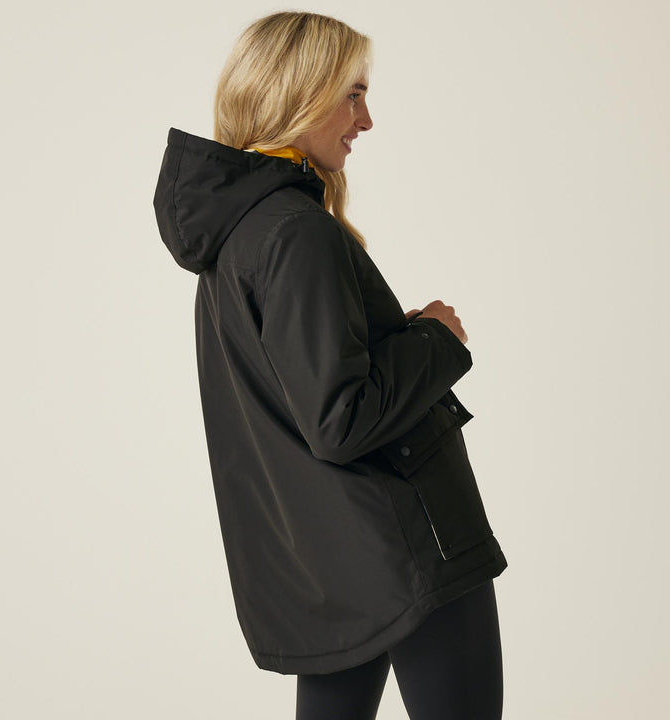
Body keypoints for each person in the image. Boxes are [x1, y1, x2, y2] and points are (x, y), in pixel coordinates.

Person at [153, 10, 508, 720]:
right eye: (353, 95)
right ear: (299, 94)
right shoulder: (295, 231)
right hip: (407, 547)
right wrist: (437, 340)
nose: (365, 120)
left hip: (332, 560)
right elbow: (340, 420)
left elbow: (305, 397)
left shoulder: (236, 235)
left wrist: (394, 342)